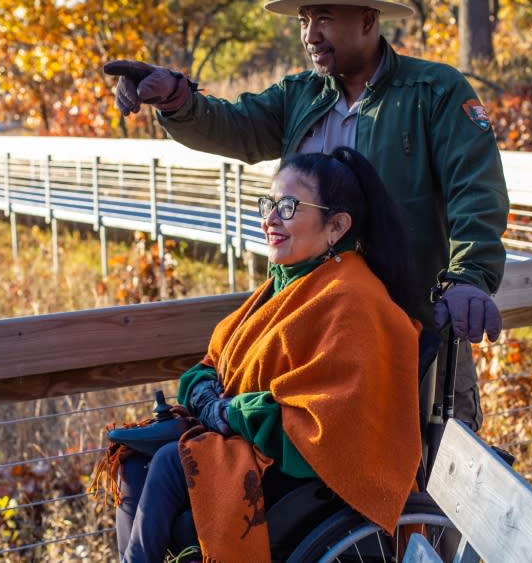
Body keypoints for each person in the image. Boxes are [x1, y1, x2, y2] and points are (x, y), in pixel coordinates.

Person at [104, 0, 509, 431]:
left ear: (367, 20)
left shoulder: (433, 91)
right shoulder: (301, 94)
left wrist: (468, 276)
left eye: (324, 19)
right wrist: (178, 98)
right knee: (323, 451)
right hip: (313, 326)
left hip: (410, 323)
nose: (310, 35)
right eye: (304, 20)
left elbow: (475, 189)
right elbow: (236, 127)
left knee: (431, 459)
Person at [102, 147, 423, 562]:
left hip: (304, 472)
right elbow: (217, 360)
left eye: (288, 206)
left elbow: (328, 420)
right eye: (269, 203)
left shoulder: (352, 298)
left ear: (336, 225)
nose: (270, 218)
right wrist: (204, 397)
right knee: (132, 462)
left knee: (168, 463)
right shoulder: (290, 281)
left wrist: (229, 412)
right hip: (252, 446)